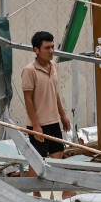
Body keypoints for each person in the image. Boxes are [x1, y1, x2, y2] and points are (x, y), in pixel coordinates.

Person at [20, 31, 72, 161]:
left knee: (58, 155)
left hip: (54, 122)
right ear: (36, 50)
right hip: (39, 125)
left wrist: (63, 115)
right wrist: (35, 125)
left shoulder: (53, 65)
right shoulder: (29, 70)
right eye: (47, 48)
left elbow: (55, 92)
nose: (51, 51)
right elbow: (28, 99)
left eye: (52, 47)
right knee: (37, 162)